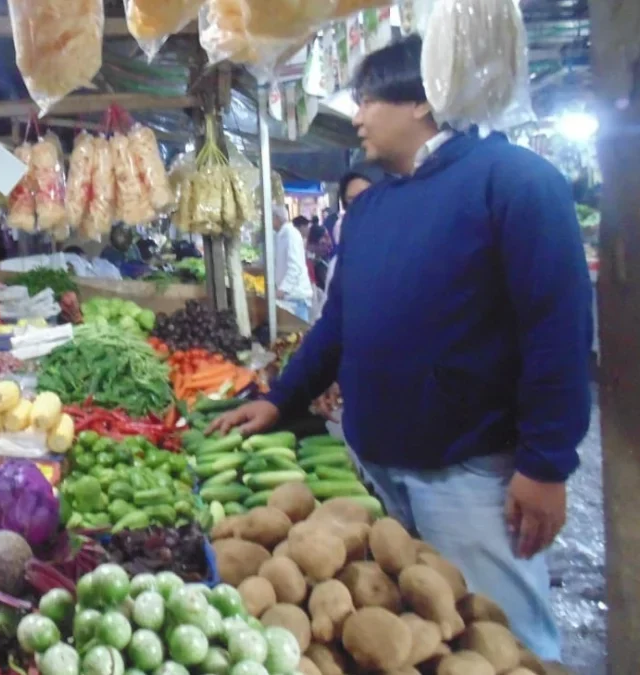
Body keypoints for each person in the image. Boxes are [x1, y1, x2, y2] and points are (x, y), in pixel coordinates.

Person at [211, 35, 591, 661]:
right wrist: (280, 399)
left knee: (502, 641)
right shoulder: (373, 209)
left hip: (472, 472)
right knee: (419, 641)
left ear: (420, 101)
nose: (356, 116)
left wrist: (547, 464)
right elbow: (338, 324)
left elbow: (558, 332)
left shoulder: (517, 183)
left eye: (366, 99)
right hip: (379, 466)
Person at [271, 204, 315, 323]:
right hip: (289, 297)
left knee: (298, 335)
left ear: (276, 218)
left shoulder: (290, 235)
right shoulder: (280, 235)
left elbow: (295, 267)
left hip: (296, 298)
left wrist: (283, 289)